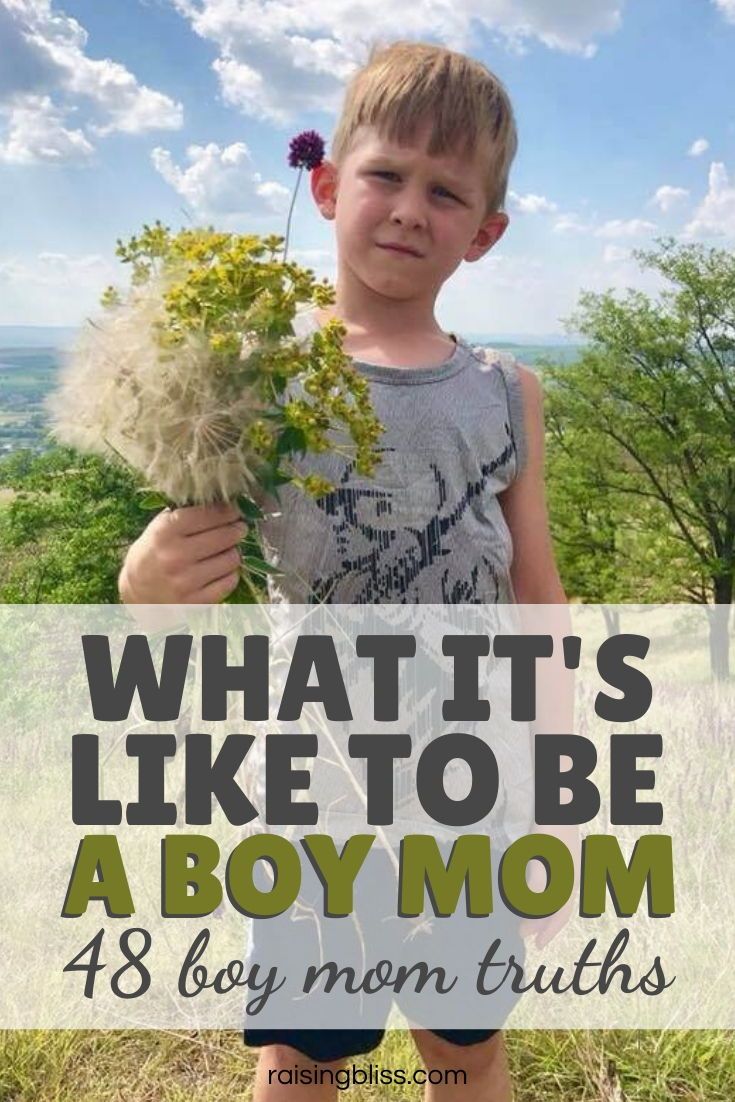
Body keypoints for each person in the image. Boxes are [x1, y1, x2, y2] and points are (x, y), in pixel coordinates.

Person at [119, 38, 569, 1102]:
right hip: (311, 803)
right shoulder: (256, 375)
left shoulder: (510, 395)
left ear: (486, 231)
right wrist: (143, 580)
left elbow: (539, 596)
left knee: (468, 1047)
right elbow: (182, 565)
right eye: (385, 175)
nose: (411, 208)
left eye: (446, 190)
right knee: (302, 1053)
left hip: (475, 793)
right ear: (325, 187)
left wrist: (560, 792)